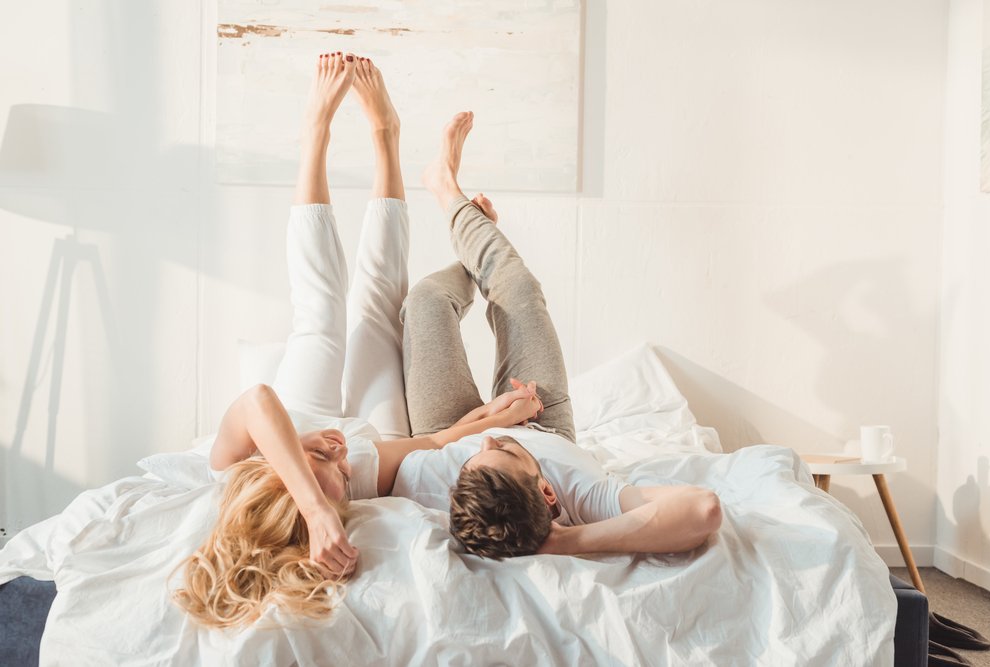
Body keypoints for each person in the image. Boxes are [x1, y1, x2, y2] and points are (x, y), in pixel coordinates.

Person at [174, 53, 541, 628]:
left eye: (323, 458)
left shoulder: (233, 467)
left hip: (294, 414)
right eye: (343, 477)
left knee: (320, 308)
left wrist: (317, 503)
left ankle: (314, 135)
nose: (340, 451)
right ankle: (386, 138)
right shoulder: (353, 474)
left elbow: (257, 401)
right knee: (376, 310)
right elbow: (436, 441)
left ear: (285, 478)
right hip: (358, 449)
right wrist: (494, 419)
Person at [392, 112, 723, 559]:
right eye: (506, 451)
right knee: (520, 289)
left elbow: (423, 451)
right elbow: (703, 510)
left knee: (426, 302)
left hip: (447, 430)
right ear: (548, 491)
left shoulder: (436, 478)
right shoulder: (582, 491)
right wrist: (567, 539)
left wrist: (477, 431)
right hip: (542, 416)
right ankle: (452, 198)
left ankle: (471, 243)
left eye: (478, 458)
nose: (490, 440)